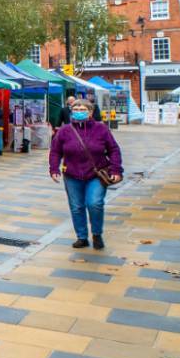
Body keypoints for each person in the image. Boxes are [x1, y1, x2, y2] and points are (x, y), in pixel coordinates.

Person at [49, 98, 123, 250]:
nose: (79, 112)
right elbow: (55, 151)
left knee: (94, 203)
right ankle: (82, 237)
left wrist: (116, 169)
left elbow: (114, 150)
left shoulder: (101, 129)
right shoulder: (65, 131)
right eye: (76, 110)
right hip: (72, 174)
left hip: (96, 174)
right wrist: (54, 169)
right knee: (76, 206)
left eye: (83, 110)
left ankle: (96, 234)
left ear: (90, 112)